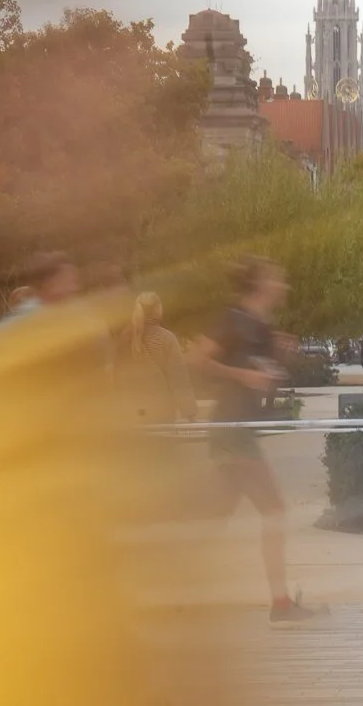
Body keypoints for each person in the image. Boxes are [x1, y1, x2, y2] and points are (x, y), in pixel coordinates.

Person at [191, 257, 320, 624]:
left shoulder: (262, 326)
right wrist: (242, 376)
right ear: (260, 284)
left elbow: (260, 366)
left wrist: (276, 352)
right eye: (277, 279)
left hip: (242, 427)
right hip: (231, 427)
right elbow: (197, 358)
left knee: (213, 515)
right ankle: (280, 603)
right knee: (274, 510)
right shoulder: (232, 319)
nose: (284, 285)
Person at [120, 291, 195, 423]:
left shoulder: (125, 337)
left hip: (130, 410)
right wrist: (189, 412)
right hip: (160, 410)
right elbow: (178, 377)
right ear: (157, 309)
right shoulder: (166, 338)